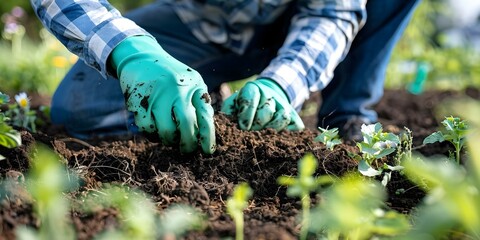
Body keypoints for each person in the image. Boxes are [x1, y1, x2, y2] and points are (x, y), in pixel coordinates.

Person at [30, 0, 420, 154]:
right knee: (78, 109)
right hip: (200, 20)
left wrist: (283, 83)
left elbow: (332, 13)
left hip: (295, 19)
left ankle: (346, 117)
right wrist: (131, 52)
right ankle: (206, 99)